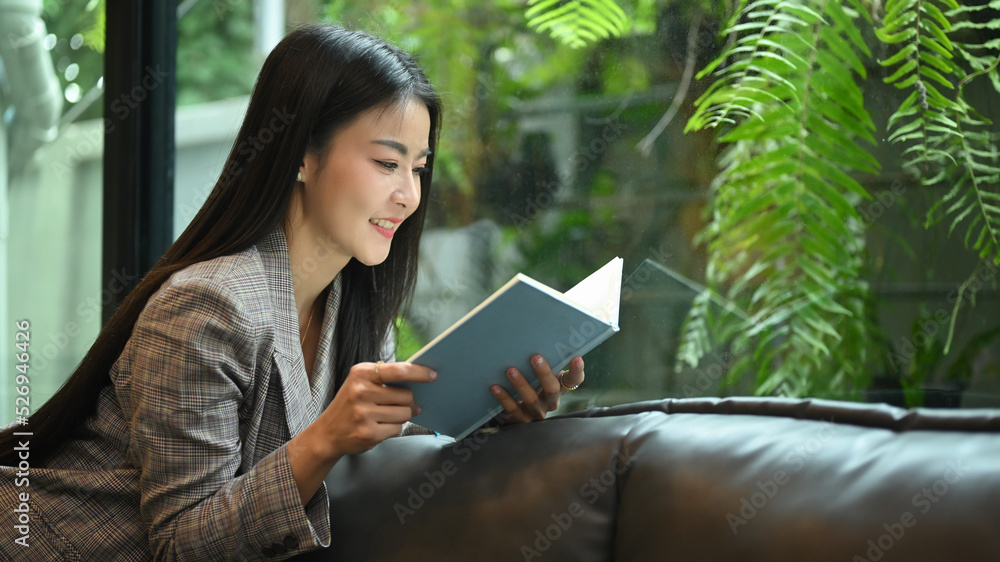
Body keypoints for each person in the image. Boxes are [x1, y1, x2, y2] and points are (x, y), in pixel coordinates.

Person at [0, 24, 585, 560]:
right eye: (387, 163)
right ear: (303, 154)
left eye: (420, 168)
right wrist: (326, 437)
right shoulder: (206, 308)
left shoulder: (355, 313)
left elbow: (378, 450)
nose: (409, 196)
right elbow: (180, 546)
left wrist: (493, 409)